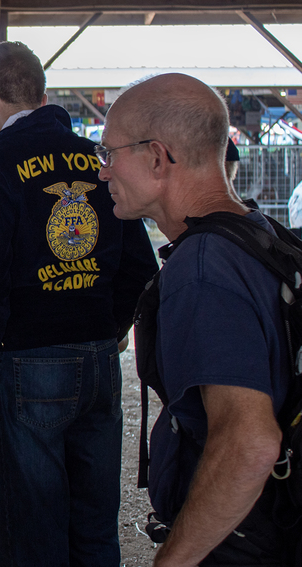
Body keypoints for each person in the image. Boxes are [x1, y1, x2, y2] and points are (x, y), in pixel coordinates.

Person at [0, 41, 158, 566]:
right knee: (94, 526)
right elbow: (140, 267)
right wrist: (107, 330)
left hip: (28, 361)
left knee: (34, 532)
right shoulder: (97, 158)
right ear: (42, 95)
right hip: (98, 360)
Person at [100, 72, 297, 565]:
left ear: (157, 158)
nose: (102, 173)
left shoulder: (203, 268)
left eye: (109, 154)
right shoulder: (260, 235)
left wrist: (174, 560)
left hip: (243, 543)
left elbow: (249, 443)